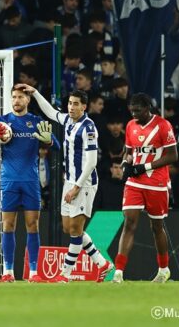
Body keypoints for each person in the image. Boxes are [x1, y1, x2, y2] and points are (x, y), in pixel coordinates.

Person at [16, 83, 114, 283]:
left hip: (84, 184)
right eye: (69, 103)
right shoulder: (68, 120)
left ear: (84, 107)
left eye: (75, 104)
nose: (71, 107)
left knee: (75, 230)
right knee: (68, 228)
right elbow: (51, 112)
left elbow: (91, 161)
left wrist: (77, 186)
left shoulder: (88, 128)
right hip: (69, 181)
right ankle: (101, 263)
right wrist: (35, 92)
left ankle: (65, 274)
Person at [0, 85, 60, 283]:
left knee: (32, 225)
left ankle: (34, 273)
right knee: (8, 225)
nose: (16, 100)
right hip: (9, 180)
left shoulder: (36, 122)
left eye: (20, 97)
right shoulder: (1, 122)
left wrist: (49, 142)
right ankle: (8, 271)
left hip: (30, 181)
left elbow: (58, 146)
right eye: (14, 97)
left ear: (28, 100)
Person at [115, 93, 178, 283]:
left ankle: (164, 269)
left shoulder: (163, 125)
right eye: (132, 110)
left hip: (157, 182)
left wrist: (146, 166)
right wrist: (126, 164)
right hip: (135, 182)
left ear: (148, 108)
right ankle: (118, 273)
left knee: (156, 227)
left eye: (138, 110)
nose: (134, 114)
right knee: (129, 223)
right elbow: (129, 152)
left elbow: (173, 155)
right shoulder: (130, 125)